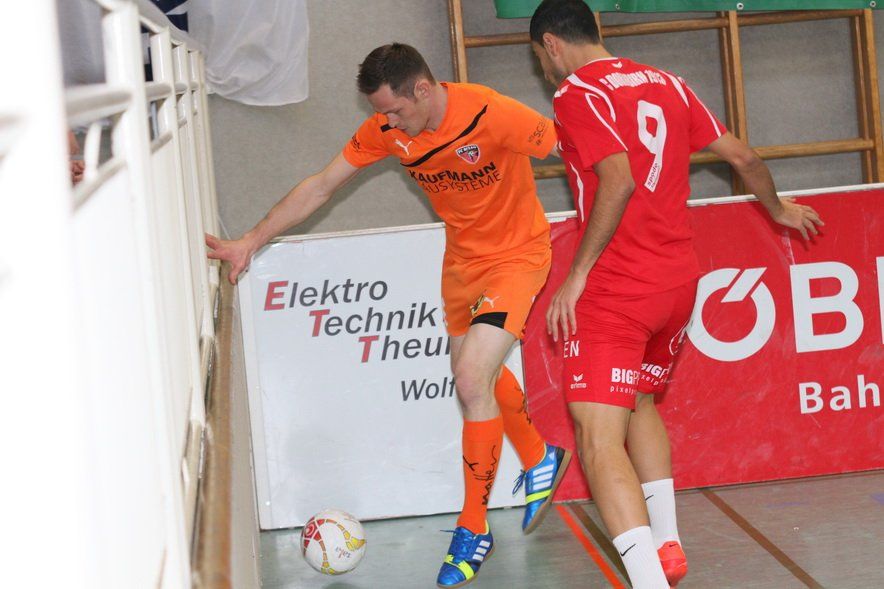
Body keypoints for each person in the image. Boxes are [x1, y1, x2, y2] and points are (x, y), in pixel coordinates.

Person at [205, 43, 572, 588]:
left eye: (395, 110)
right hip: (462, 264)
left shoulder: (491, 112)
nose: (388, 122)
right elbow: (321, 185)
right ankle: (540, 457)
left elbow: (577, 148)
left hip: (518, 256)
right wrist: (250, 241)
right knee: (478, 378)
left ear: (422, 88)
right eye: (382, 113)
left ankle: (473, 528)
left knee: (471, 378)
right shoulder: (386, 129)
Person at [528, 2, 823, 588]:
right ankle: (667, 544)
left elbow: (617, 180)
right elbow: (743, 157)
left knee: (596, 436)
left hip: (617, 289)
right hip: (678, 285)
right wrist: (778, 209)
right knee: (638, 401)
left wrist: (579, 272)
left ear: (552, 44)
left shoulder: (578, 93)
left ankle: (649, 581)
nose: (544, 67)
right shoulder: (669, 82)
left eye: (540, 56)